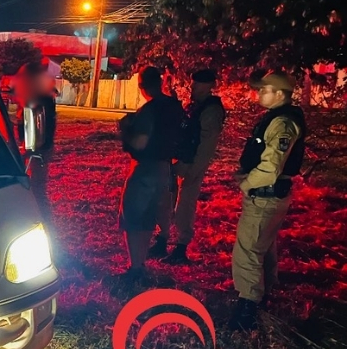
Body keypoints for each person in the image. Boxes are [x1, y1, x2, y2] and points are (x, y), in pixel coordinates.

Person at [229, 71, 306, 331]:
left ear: (281, 94)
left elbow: (271, 167)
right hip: (270, 195)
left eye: (265, 89)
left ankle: (247, 310)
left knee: (248, 250)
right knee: (264, 247)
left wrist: (246, 183)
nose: (259, 93)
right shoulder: (276, 119)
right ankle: (262, 297)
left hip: (266, 196)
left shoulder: (283, 123)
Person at [150, 69, 226, 263]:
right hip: (178, 160)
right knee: (166, 202)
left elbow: (207, 144)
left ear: (209, 86)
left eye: (198, 84)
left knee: (184, 206)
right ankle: (162, 240)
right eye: (193, 83)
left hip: (192, 164)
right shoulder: (194, 106)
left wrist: (195, 170)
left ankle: (181, 247)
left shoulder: (211, 110)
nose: (193, 87)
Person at [118, 67, 185, 280]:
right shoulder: (175, 107)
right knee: (149, 215)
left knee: (133, 216)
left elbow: (141, 141)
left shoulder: (149, 110)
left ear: (141, 85)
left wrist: (125, 130)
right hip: (165, 168)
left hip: (145, 168)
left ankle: (135, 267)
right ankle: (141, 263)